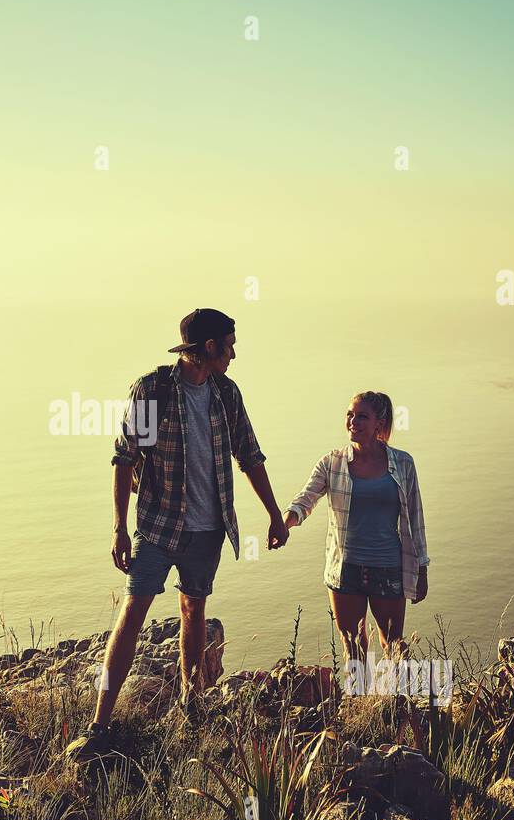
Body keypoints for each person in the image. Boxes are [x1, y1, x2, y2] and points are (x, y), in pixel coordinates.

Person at [67, 308, 288, 761]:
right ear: (209, 347)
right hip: (157, 526)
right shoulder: (153, 390)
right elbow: (124, 458)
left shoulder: (226, 393)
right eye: (229, 345)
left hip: (208, 529)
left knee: (194, 611)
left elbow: (250, 456)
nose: (233, 354)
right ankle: (99, 725)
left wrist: (274, 515)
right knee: (132, 614)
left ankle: (191, 707)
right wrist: (119, 528)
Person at [283, 392, 429, 666]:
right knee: (352, 648)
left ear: (379, 424)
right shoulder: (332, 463)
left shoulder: (403, 463)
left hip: (388, 569)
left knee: (393, 645)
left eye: (362, 416)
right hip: (345, 571)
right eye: (349, 415)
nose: (353, 421)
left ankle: (396, 693)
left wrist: (421, 569)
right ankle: (360, 694)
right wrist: (285, 523)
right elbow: (305, 500)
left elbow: (416, 519)